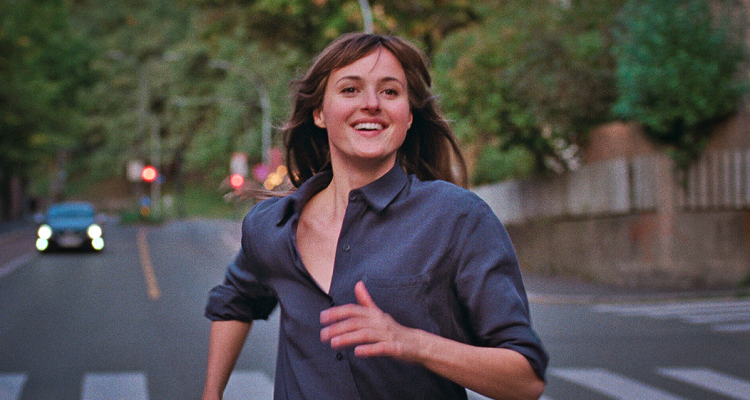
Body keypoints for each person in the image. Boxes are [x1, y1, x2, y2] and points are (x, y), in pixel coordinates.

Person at [203, 32, 548, 400]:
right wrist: (211, 393)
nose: (371, 104)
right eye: (350, 89)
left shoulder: (457, 218)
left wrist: (412, 343)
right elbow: (235, 302)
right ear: (319, 113)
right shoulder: (270, 225)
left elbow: (525, 380)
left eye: (390, 91)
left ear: (409, 115)